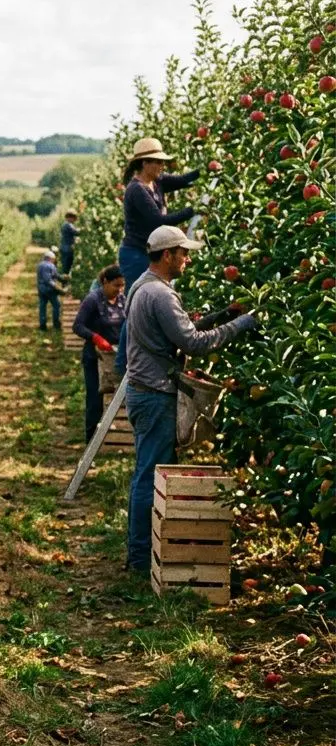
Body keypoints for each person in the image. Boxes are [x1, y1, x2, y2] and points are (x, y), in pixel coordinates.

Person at [122, 225, 258, 574]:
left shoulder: (142, 285)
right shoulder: (162, 295)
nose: (188, 258)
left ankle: (141, 553)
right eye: (183, 252)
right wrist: (243, 324)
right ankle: (140, 560)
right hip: (155, 395)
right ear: (167, 255)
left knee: (145, 472)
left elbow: (182, 330)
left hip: (142, 391)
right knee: (150, 474)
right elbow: (194, 343)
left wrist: (222, 316)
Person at [115, 138, 201, 374]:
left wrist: (205, 170)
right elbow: (158, 221)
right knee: (134, 310)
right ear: (145, 163)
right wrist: (193, 210)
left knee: (144, 308)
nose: (163, 167)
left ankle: (132, 362)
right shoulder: (136, 190)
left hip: (152, 251)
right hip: (135, 253)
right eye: (158, 162)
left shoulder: (157, 182)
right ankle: (122, 366)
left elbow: (183, 180)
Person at [72, 264, 125, 442]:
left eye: (122, 285)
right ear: (104, 282)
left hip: (116, 356)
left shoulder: (122, 300)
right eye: (116, 285)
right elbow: (77, 326)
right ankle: (91, 442)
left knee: (121, 396)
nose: (119, 289)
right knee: (95, 399)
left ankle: (111, 433)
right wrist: (95, 338)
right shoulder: (93, 300)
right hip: (95, 356)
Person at [36, 250, 68, 331]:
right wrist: (59, 289)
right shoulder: (50, 265)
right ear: (51, 258)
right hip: (49, 290)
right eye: (54, 259)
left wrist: (62, 278)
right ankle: (56, 324)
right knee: (56, 305)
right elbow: (48, 280)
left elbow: (55, 275)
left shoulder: (40, 265)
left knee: (42, 306)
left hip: (41, 289)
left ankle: (42, 325)